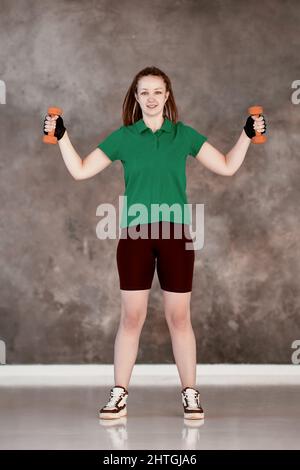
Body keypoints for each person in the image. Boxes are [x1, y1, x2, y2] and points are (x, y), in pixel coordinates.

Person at [43, 66, 266, 420]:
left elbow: (225, 166)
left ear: (167, 96)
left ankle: (190, 393)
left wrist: (246, 135)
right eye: (144, 92)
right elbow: (81, 170)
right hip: (135, 238)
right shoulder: (124, 137)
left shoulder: (183, 135)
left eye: (157, 92)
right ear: (136, 97)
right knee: (132, 317)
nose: (150, 98)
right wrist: (62, 137)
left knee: (179, 318)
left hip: (177, 236)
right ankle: (119, 394)